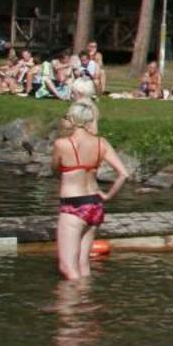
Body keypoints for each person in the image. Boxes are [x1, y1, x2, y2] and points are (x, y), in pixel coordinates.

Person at [49, 97, 128, 281]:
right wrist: (108, 196)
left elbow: (54, 170)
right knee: (83, 264)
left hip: (73, 206)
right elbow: (124, 174)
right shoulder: (101, 143)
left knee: (67, 267)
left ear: (73, 119)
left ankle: (72, 306)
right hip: (95, 204)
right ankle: (86, 304)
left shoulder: (62, 144)